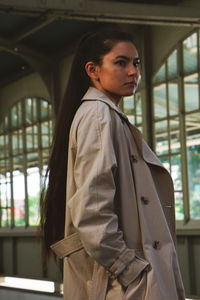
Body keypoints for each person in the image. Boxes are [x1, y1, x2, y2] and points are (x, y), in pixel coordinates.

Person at [40, 29, 185, 300]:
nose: (133, 72)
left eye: (136, 63)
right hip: (121, 286)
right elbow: (93, 212)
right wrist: (130, 270)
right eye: (121, 62)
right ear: (93, 70)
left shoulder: (106, 115)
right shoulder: (98, 116)